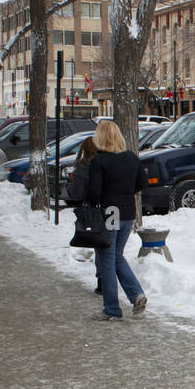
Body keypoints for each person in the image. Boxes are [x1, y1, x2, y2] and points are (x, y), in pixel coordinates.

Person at [86, 120, 147, 321]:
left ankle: (112, 308)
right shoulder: (131, 158)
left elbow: (94, 192)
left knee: (107, 259)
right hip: (128, 212)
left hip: (110, 212)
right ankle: (136, 294)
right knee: (116, 255)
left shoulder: (99, 161)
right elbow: (142, 183)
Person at [64, 137, 102, 295]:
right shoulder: (105, 163)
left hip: (93, 211)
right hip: (113, 208)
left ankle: (102, 280)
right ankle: (107, 279)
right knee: (110, 247)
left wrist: (69, 185)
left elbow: (76, 194)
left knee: (101, 245)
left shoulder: (83, 166)